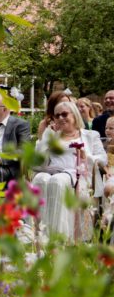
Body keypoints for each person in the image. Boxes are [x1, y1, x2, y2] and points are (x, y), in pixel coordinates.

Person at [33, 101, 106, 240]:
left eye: (64, 114)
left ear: (75, 115)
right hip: (52, 172)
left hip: (80, 175)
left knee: (58, 181)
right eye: (57, 115)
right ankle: (40, 235)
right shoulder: (52, 137)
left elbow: (103, 160)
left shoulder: (90, 135)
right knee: (39, 178)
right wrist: (47, 138)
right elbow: (37, 162)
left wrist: (86, 156)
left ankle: (60, 237)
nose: (60, 118)